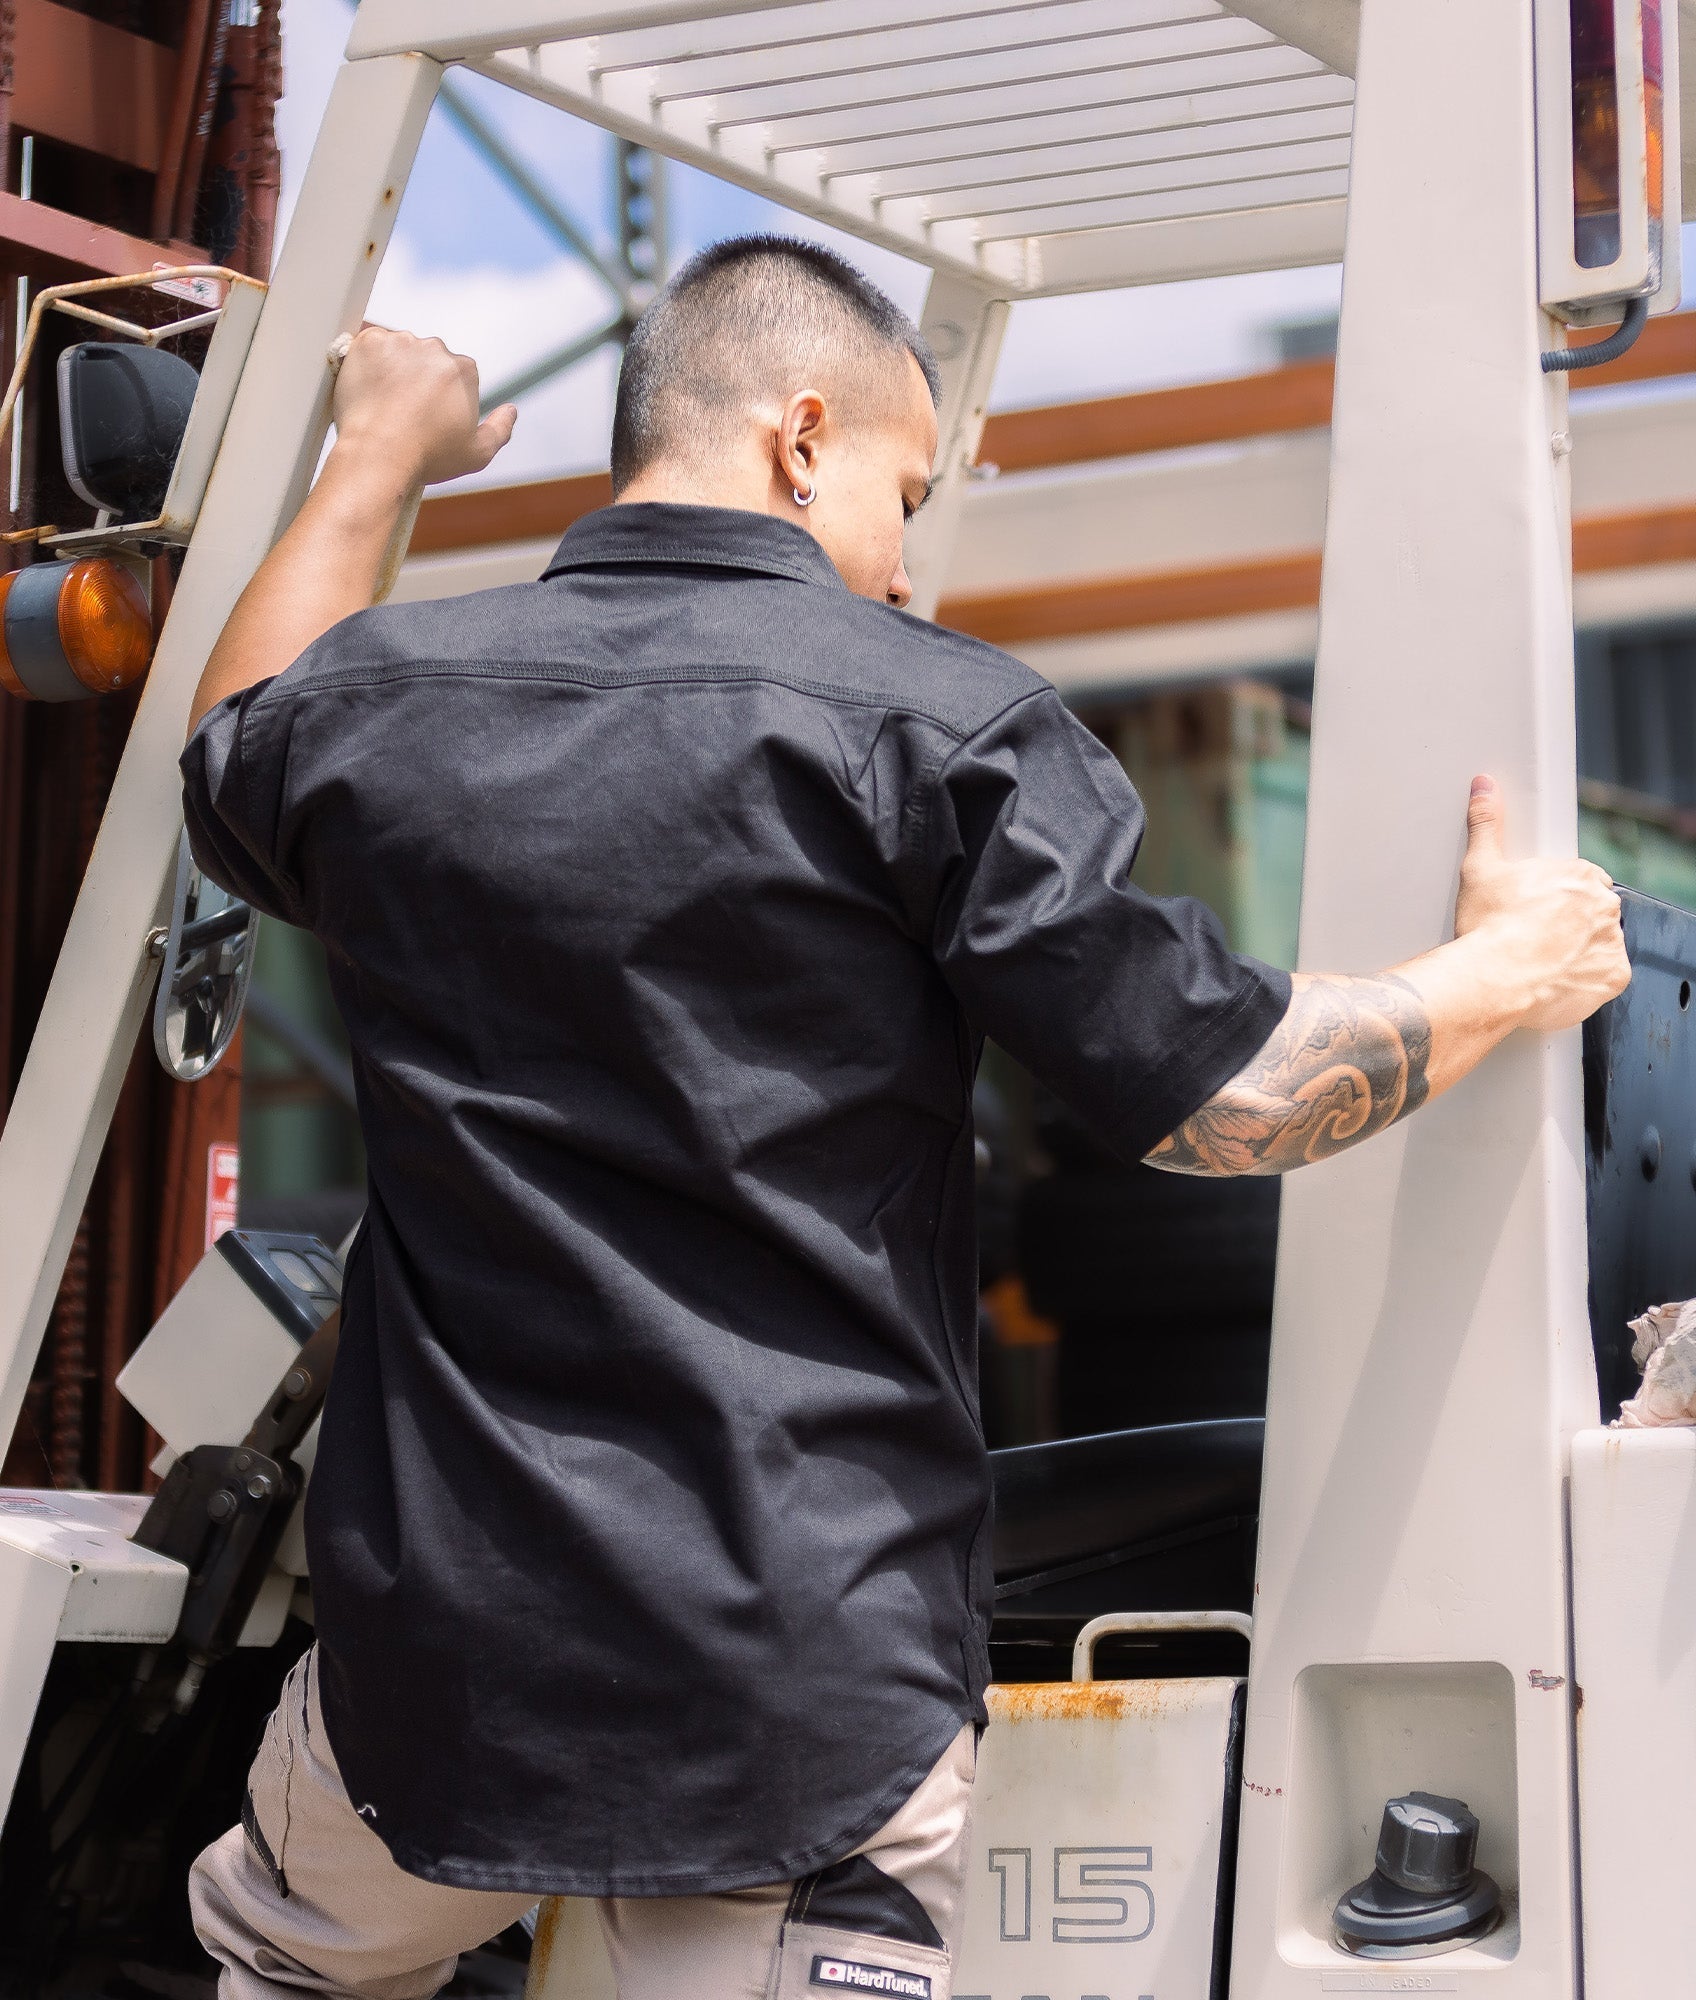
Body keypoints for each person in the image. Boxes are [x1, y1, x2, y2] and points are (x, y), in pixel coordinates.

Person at [178, 237, 1628, 2000]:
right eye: (906, 493)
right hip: (798, 1691)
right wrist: (1506, 969)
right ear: (801, 439)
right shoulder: (940, 727)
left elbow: (232, 732)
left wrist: (377, 455)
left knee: (286, 1958)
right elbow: (1230, 1098)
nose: (904, 560)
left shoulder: (383, 710)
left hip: (436, 1667)